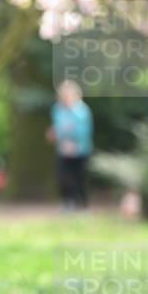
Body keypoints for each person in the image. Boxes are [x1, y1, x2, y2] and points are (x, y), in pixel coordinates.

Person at [47, 79, 93, 210]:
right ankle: (67, 202)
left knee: (79, 178)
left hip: (80, 150)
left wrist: (74, 144)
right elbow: (57, 128)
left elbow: (84, 131)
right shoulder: (57, 109)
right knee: (62, 177)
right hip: (63, 150)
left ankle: (81, 205)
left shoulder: (82, 111)